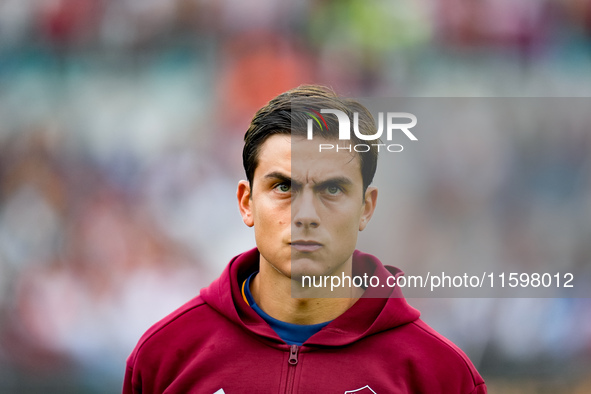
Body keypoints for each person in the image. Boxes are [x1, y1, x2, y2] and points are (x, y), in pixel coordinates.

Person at [123, 85, 487, 393]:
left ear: (366, 207)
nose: (305, 215)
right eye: (283, 186)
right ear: (246, 203)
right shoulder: (164, 356)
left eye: (331, 189)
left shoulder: (440, 375)